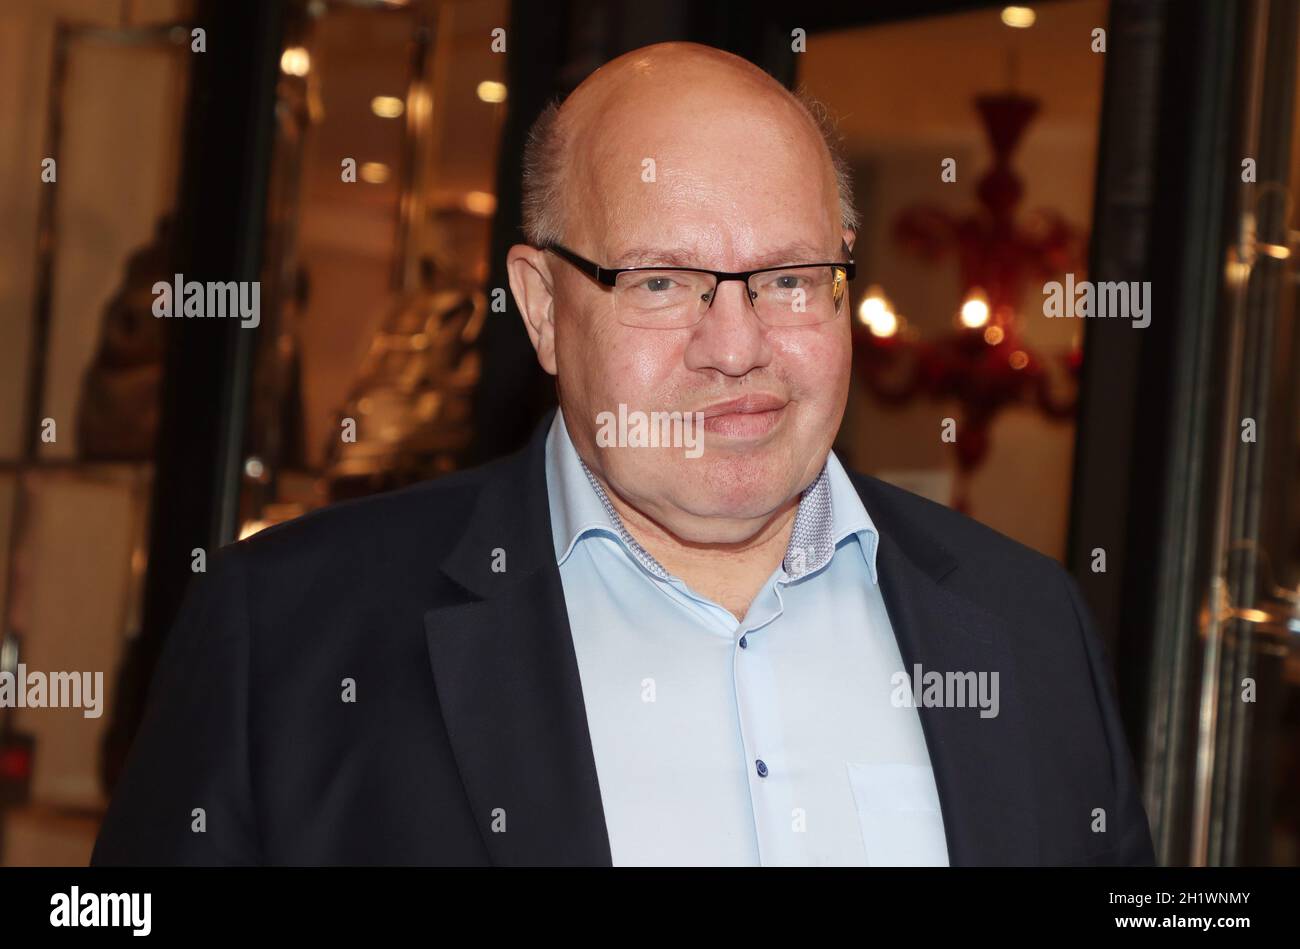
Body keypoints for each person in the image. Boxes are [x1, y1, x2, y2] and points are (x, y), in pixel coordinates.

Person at [92, 41, 1154, 866]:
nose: (736, 346)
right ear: (543, 308)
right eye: (659, 282)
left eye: (787, 276)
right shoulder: (289, 636)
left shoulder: (1027, 628)